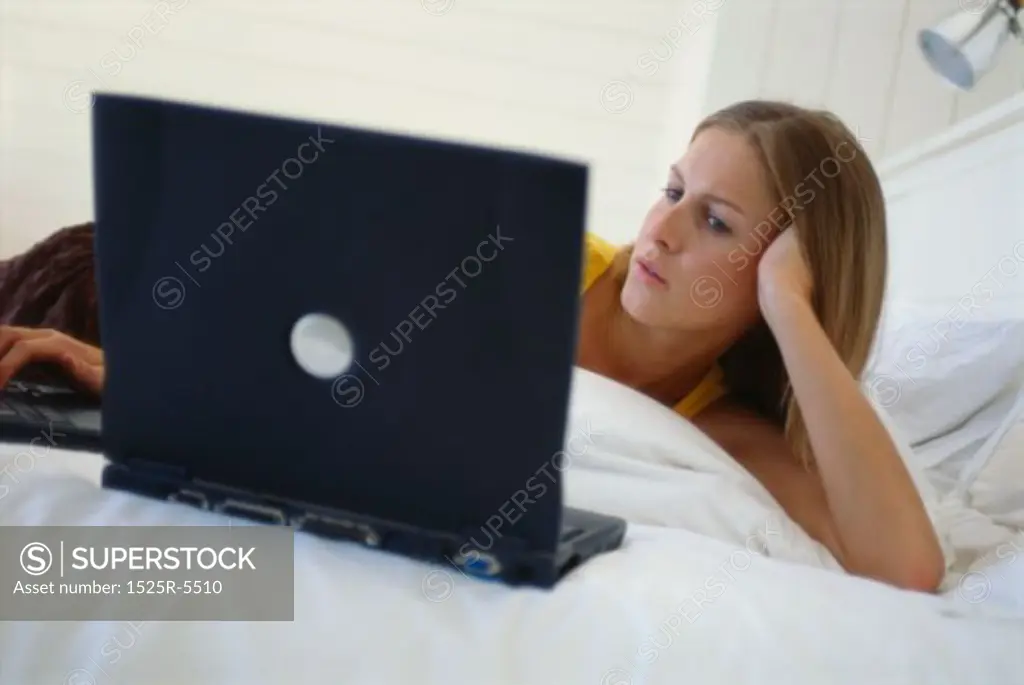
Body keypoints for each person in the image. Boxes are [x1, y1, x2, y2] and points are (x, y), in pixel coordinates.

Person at [0, 100, 945, 592]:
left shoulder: (730, 429)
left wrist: (789, 307)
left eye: (716, 222)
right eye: (669, 189)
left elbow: (903, 568)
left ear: (794, 272)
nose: (660, 233)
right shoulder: (548, 263)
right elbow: (318, 337)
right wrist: (147, 370)